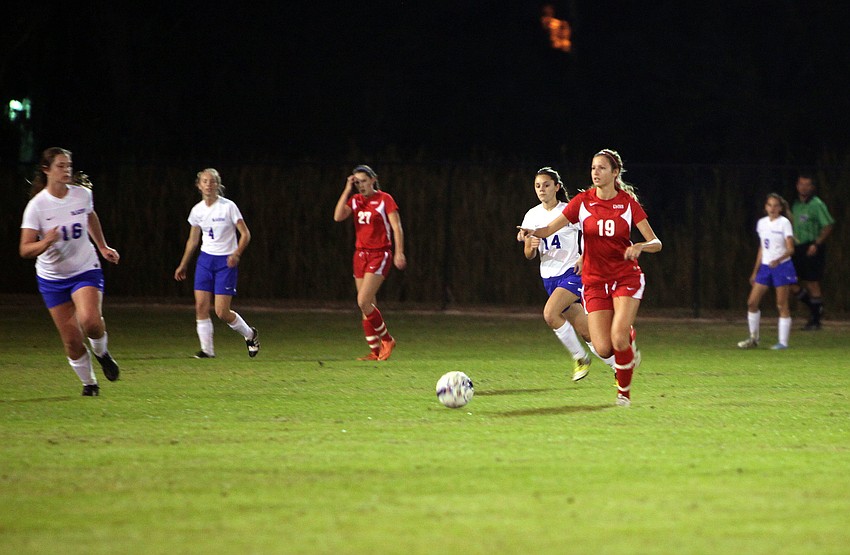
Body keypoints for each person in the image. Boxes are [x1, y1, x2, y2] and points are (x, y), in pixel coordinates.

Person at [519, 149, 661, 407]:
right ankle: (624, 339)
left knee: (615, 336)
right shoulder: (583, 201)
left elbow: (656, 241)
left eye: (602, 168)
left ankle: (623, 395)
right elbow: (549, 228)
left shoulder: (627, 203)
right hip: (594, 281)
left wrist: (641, 246)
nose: (595, 172)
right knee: (604, 347)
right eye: (593, 168)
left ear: (615, 173)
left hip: (624, 276)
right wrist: (531, 232)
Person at [19, 147, 121, 396]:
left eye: (69, 165)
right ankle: (90, 384)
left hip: (85, 268)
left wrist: (102, 246)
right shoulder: (37, 206)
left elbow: (90, 217)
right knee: (72, 342)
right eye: (61, 166)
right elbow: (25, 249)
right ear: (47, 170)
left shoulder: (82, 195)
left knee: (91, 322)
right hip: (52, 279)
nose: (67, 170)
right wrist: (45, 243)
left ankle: (102, 353)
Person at [519, 167, 615, 382]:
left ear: (557, 187)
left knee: (550, 314)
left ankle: (580, 358)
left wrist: (583, 256)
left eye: (546, 185)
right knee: (588, 332)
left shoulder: (569, 211)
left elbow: (592, 233)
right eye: (537, 186)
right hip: (549, 278)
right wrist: (531, 246)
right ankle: (619, 366)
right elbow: (528, 254)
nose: (541, 189)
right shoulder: (531, 215)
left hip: (573, 272)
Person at [174, 168, 260, 359]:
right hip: (205, 260)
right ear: (199, 185)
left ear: (217, 185)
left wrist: (237, 254)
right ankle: (207, 350)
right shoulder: (197, 211)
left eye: (212, 181)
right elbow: (193, 240)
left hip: (225, 262)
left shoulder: (228, 207)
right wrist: (183, 264)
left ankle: (250, 334)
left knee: (221, 312)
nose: (208, 185)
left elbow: (245, 234)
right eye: (204, 181)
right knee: (201, 306)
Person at [333, 164, 407, 361]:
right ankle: (375, 352)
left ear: (373, 180)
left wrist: (399, 252)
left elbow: (397, 227)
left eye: (364, 181)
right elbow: (338, 216)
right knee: (368, 305)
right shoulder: (356, 200)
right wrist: (347, 189)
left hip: (379, 254)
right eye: (357, 182)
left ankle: (388, 340)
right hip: (360, 255)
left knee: (363, 301)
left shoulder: (385, 199)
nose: (361, 186)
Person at [737, 193, 797, 350]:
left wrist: (778, 259)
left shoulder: (784, 223)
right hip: (765, 267)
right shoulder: (762, 223)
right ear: (765, 207)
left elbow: (791, 249)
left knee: (781, 304)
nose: (772, 208)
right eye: (769, 205)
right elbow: (762, 248)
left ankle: (783, 342)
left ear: (781, 208)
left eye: (776, 205)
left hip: (782, 266)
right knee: (752, 302)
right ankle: (753, 338)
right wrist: (755, 271)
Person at [790, 173, 834, 330]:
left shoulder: (816, 204)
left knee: (812, 282)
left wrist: (817, 243)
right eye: (801, 184)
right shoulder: (795, 204)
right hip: (796, 248)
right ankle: (815, 308)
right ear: (797, 185)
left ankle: (816, 321)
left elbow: (828, 225)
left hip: (812, 246)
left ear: (812, 187)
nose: (803, 187)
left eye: (807, 184)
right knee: (790, 282)